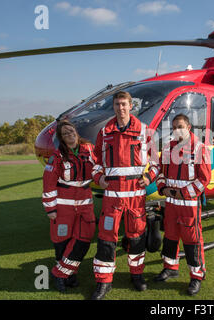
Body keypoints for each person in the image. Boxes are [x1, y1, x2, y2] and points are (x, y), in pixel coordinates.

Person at [90, 91, 159, 300]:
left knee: (136, 237)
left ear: (131, 106)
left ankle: (136, 276)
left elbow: (156, 162)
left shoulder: (145, 131)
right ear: (114, 107)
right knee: (106, 239)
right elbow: (95, 163)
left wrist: (148, 178)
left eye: (124, 104)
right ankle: (104, 282)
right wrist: (99, 177)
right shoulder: (104, 132)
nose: (120, 108)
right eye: (117, 104)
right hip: (112, 197)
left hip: (136, 197)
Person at [153, 114, 211, 296]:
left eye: (180, 126)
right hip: (170, 204)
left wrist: (183, 193)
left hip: (189, 206)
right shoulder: (168, 148)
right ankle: (170, 267)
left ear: (189, 127)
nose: (177, 130)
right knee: (170, 237)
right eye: (174, 127)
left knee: (192, 241)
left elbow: (204, 179)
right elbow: (161, 174)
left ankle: (196, 276)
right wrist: (163, 188)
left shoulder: (200, 148)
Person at [41, 120, 97, 293]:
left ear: (76, 132)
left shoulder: (89, 150)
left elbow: (99, 168)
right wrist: (50, 209)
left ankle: (59, 274)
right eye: (65, 134)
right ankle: (70, 276)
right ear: (61, 138)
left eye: (71, 131)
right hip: (63, 206)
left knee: (83, 240)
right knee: (62, 242)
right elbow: (49, 184)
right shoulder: (57, 157)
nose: (69, 135)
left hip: (85, 204)